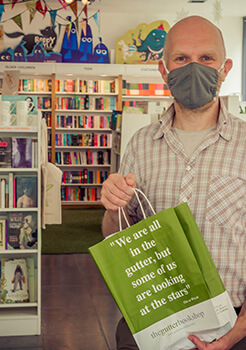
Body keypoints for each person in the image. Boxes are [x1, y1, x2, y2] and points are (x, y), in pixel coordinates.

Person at [101, 15, 246, 350]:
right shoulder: (140, 143)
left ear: (224, 68)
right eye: (181, 59)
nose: (193, 68)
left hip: (234, 323)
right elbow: (118, 235)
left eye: (206, 58)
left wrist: (234, 335)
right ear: (164, 71)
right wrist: (113, 206)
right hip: (155, 318)